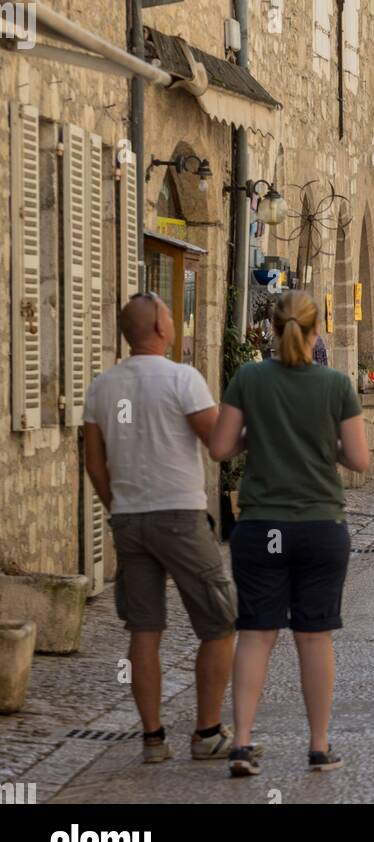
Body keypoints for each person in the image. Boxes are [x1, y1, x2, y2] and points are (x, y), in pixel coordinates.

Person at [209, 290, 369, 778]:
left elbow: (220, 448)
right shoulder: (335, 383)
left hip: (261, 525)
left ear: (271, 329)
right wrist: (325, 449)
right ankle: (318, 746)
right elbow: (359, 459)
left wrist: (256, 436)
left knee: (256, 635)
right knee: (314, 637)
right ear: (316, 329)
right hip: (319, 525)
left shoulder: (250, 378)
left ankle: (241, 743)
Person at [83, 293, 237, 766]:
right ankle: (207, 732)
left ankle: (153, 739)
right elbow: (217, 443)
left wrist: (118, 507)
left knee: (143, 630)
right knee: (219, 621)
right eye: (169, 316)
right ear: (159, 329)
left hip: (130, 519)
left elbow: (94, 461)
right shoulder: (182, 379)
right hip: (179, 514)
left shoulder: (102, 387)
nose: (174, 320)